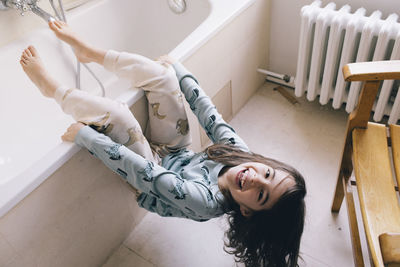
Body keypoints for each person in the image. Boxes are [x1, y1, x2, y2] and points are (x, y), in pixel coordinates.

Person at [20, 20, 307, 267]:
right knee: (163, 77)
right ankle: (89, 52)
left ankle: (51, 89)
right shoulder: (243, 157)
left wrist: (87, 137)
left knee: (120, 114)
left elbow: (147, 174)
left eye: (261, 196)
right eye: (267, 173)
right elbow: (210, 115)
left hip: (149, 179)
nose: (255, 179)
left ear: (246, 211)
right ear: (266, 164)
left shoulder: (206, 203)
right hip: (176, 151)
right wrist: (180, 72)